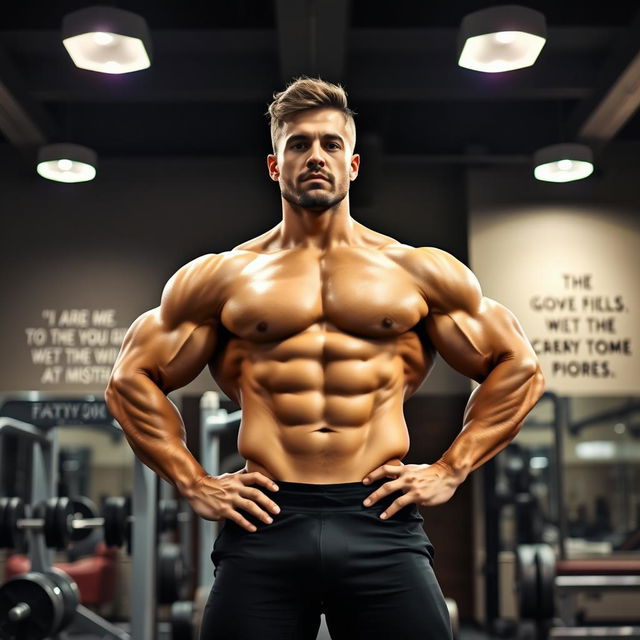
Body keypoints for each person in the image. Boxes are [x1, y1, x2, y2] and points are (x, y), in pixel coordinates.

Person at [105, 77, 545, 639]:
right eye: (298, 144)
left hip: (380, 519)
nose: (315, 156)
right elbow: (129, 381)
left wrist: (450, 470)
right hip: (264, 519)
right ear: (274, 165)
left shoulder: (417, 270)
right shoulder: (222, 276)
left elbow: (519, 367)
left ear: (354, 164)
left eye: (330, 144)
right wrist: (193, 482)